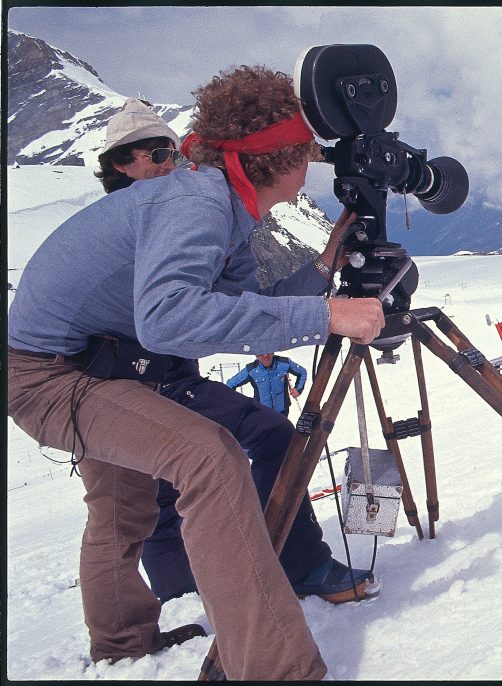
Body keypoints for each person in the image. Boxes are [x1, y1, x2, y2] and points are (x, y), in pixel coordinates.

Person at [7, 64, 387, 680]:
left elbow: (232, 313)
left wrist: (321, 271)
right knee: (209, 458)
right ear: (282, 161)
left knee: (124, 505)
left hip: (98, 362)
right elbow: (168, 318)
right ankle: (276, 670)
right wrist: (324, 314)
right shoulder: (199, 201)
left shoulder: (227, 210)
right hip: (50, 374)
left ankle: (122, 642)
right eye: (308, 157)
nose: (311, 170)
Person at [95, 100, 373, 609]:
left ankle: (286, 564)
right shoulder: (134, 223)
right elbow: (171, 315)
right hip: (123, 383)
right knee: (154, 501)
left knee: (247, 446)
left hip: (169, 377)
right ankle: (191, 603)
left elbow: (244, 305)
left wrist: (325, 261)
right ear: (120, 164)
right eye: (156, 155)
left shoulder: (180, 213)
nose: (167, 165)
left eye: (172, 154)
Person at [226, 353, 307, 416]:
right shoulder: (251, 370)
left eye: (268, 352)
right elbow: (230, 384)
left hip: (282, 411)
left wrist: (298, 389)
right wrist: (235, 404)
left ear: (273, 352)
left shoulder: (284, 363)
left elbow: (302, 372)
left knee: (282, 434)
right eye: (261, 354)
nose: (265, 356)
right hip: (262, 413)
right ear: (256, 356)